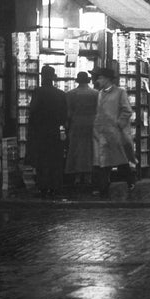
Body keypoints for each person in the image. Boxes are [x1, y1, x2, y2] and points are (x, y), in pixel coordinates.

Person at [93, 67, 136, 198]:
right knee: (102, 161)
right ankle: (103, 188)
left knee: (121, 160)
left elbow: (127, 110)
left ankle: (130, 181)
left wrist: (119, 124)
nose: (98, 80)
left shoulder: (119, 92)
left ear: (107, 79)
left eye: (100, 78)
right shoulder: (99, 94)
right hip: (101, 133)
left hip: (115, 132)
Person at [26, 64, 67, 198]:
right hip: (54, 132)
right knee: (55, 161)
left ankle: (43, 187)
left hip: (40, 133)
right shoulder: (61, 94)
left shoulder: (38, 91)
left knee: (42, 161)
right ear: (53, 78)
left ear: (42, 77)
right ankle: (55, 187)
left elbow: (33, 111)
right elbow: (64, 115)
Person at [65, 71, 98, 184]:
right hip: (92, 124)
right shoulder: (95, 94)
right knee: (90, 150)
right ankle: (89, 175)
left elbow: (68, 113)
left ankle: (77, 176)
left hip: (76, 124)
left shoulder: (70, 94)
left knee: (76, 149)